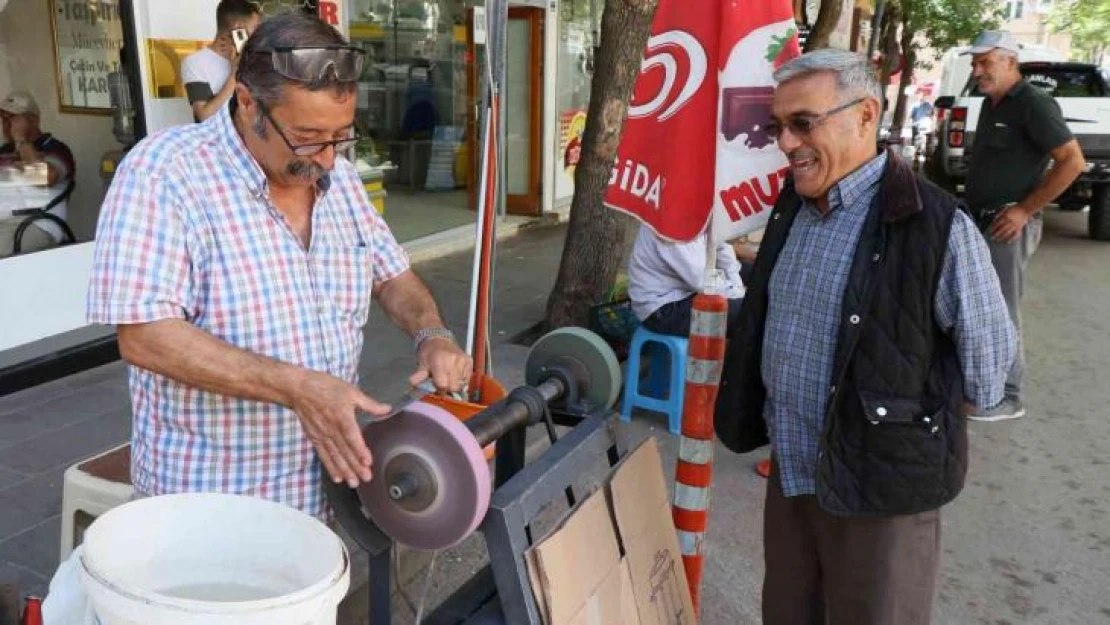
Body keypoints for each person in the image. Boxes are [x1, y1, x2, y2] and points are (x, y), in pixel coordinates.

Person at [86, 13, 471, 520]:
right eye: (309, 137)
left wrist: (432, 334)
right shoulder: (164, 172)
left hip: (326, 489)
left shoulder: (343, 181)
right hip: (214, 500)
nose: (329, 158)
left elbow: (393, 275)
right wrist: (298, 388)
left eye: (342, 136)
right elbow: (145, 335)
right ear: (248, 103)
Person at [714, 49, 1017, 625]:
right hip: (795, 472)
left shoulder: (935, 223)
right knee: (789, 612)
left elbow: (987, 371)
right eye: (777, 126)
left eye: (803, 123)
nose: (785, 142)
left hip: (882, 490)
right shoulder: (794, 207)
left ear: (864, 115)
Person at [962, 30, 1086, 421]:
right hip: (980, 222)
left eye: (986, 62)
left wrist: (1024, 210)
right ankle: (983, 388)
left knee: (1002, 310)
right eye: (975, 62)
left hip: (1007, 226)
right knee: (978, 308)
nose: (977, 70)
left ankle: (1009, 396)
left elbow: (1072, 161)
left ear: (1010, 62)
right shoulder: (992, 104)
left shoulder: (1033, 103)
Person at [626, 223, 746, 338]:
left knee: (753, 276)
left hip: (686, 292)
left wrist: (737, 288)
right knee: (747, 312)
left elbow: (722, 246)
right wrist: (737, 294)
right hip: (662, 309)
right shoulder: (672, 222)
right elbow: (700, 279)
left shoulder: (704, 211)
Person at [0, 91, 76, 256]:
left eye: (13, 118)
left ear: (33, 120)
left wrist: (21, 141)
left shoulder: (56, 149)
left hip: (36, 223)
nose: (6, 124)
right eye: (3, 119)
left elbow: (45, 177)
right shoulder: (4, 151)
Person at [181, 0, 263, 122]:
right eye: (255, 29)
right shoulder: (195, 63)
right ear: (238, 29)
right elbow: (205, 116)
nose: (259, 35)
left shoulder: (255, 58)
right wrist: (235, 74)